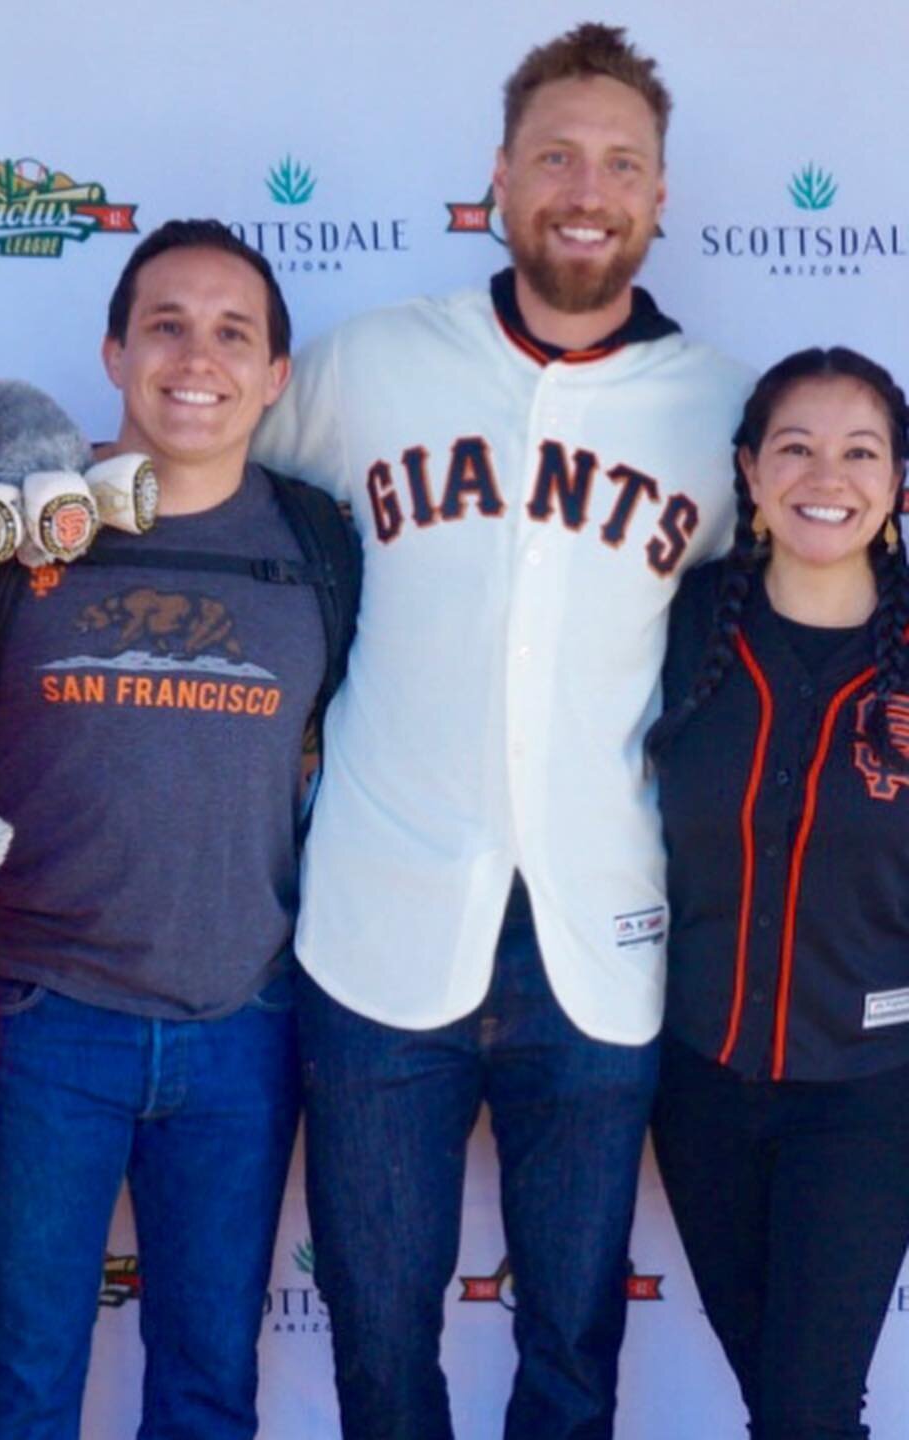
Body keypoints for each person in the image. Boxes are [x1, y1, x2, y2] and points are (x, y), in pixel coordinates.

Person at [250, 22, 751, 1440]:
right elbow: (193, 454)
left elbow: (837, 559)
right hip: (377, 919)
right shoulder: (373, 367)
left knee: (574, 1355)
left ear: (659, 199)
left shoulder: (723, 411)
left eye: (620, 164)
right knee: (380, 1352)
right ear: (498, 180)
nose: (584, 189)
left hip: (602, 936)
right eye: (556, 157)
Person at [0, 219, 359, 1440]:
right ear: (112, 353)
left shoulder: (320, 548)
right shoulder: (7, 524)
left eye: (232, 334)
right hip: (38, 1022)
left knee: (209, 1394)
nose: (194, 357)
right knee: (18, 1390)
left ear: (272, 377)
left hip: (243, 1033)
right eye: (165, 325)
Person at [648, 348, 909, 1440]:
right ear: (750, 473)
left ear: (898, 482)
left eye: (860, 451)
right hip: (697, 1082)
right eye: (795, 447)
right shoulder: (675, 622)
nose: (826, 475)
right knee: (785, 1407)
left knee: (806, 1415)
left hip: (866, 1096)